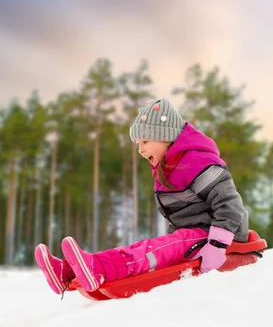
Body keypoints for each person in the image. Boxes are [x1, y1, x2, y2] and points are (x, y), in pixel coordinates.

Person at [34, 97, 249, 295]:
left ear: (166, 138)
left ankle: (98, 268)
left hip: (215, 235)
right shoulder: (169, 169)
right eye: (138, 144)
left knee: (152, 251)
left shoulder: (197, 162)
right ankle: (68, 271)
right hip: (194, 235)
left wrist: (218, 246)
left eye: (145, 141)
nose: (140, 149)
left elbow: (230, 205)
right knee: (147, 247)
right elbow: (181, 217)